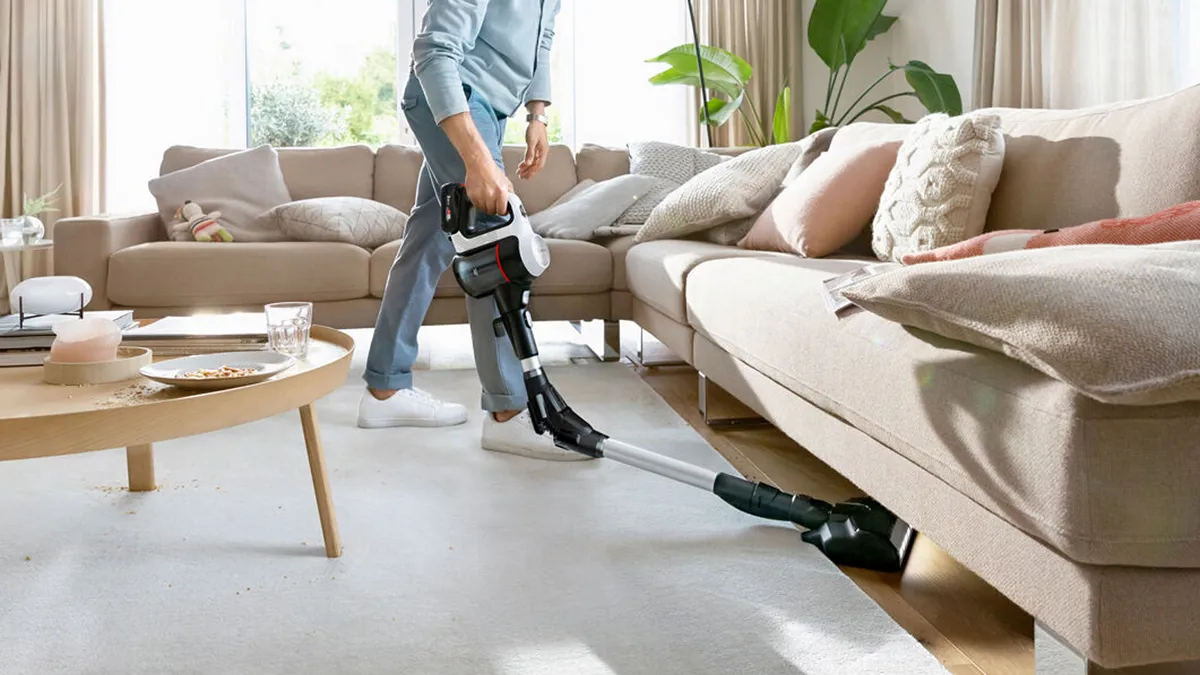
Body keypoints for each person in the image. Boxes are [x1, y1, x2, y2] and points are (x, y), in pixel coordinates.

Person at [357, 0, 590, 463]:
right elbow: (434, 51)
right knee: (493, 237)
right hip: (455, 97)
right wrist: (478, 159)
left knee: (427, 239)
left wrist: (537, 114)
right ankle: (510, 411)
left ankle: (385, 386)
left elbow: (541, 37)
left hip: (491, 104)